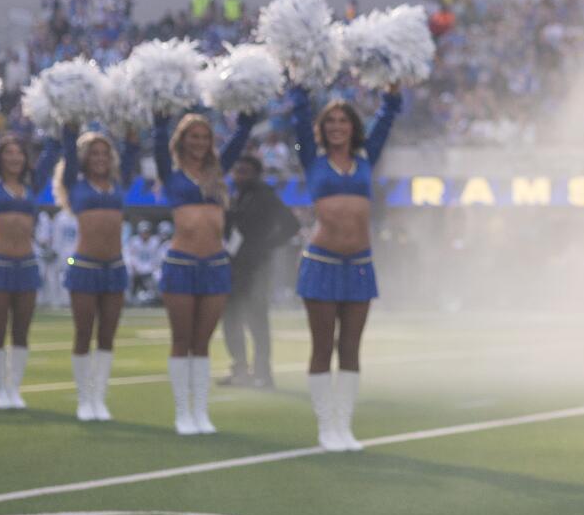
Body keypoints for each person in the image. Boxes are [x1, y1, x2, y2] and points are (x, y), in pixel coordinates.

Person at [289, 82, 403, 451]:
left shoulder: (367, 157)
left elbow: (386, 119)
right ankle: (326, 426)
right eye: (331, 121)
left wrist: (392, 93)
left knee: (351, 347)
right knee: (322, 346)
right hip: (321, 262)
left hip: (359, 264)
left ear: (354, 127)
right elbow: (299, 117)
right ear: (322, 129)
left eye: (344, 121)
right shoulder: (312, 159)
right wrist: (300, 88)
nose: (337, 126)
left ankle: (344, 425)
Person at [151, 108, 256, 434]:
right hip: (181, 264)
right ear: (181, 140)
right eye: (193, 136)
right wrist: (160, 119)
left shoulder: (217, 171)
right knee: (181, 339)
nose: (198, 142)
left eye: (204, 137)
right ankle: (183, 412)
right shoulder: (170, 172)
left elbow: (239, 141)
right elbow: (157, 142)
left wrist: (247, 116)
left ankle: (200, 410)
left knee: (203, 341)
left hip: (214, 265)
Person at [0, 127, 59, 408]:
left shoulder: (33, 186)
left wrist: (61, 128)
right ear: (0, 158)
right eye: (9, 152)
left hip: (27, 264)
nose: (15, 157)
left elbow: (51, 154)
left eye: (19, 152)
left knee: (21, 330)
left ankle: (14, 388)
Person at [57, 125, 140, 421]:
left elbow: (132, 151)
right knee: (83, 333)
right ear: (84, 157)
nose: (100, 158)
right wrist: (69, 122)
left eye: (105, 153)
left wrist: (132, 129)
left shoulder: (119, 182)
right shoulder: (74, 183)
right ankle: (84, 399)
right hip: (84, 267)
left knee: (107, 335)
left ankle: (99, 398)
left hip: (115, 267)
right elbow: (68, 147)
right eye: (94, 153)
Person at [222, 153, 301, 389]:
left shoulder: (265, 196)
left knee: (256, 321)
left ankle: (263, 373)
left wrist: (266, 245)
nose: (238, 175)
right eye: (237, 171)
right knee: (230, 319)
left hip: (256, 268)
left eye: (244, 171)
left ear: (256, 174)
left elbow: (291, 224)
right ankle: (240, 369)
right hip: (234, 266)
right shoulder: (237, 196)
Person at [126, 220, 163, 305]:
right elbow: (129, 256)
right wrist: (134, 266)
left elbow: (159, 256)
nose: (145, 234)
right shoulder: (134, 241)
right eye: (143, 232)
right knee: (128, 272)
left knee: (158, 274)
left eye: (147, 232)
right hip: (137, 268)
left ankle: (158, 298)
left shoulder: (155, 241)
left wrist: (154, 266)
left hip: (151, 268)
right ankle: (129, 299)